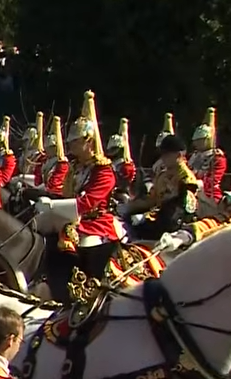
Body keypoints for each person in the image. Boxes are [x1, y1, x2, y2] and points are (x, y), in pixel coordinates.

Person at [34, 92, 120, 298]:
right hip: (71, 218)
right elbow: (66, 195)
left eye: (75, 141)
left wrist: (54, 207)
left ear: (89, 142)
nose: (71, 145)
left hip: (95, 223)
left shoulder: (103, 171)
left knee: (82, 243)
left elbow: (88, 203)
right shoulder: (75, 168)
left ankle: (87, 287)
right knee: (37, 226)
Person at [121, 134, 198, 239]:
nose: (163, 158)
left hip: (173, 221)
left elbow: (186, 209)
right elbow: (152, 199)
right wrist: (130, 207)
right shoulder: (162, 175)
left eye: (167, 155)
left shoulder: (187, 179)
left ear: (178, 155)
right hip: (157, 217)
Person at [188, 107, 226, 201]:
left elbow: (211, 182)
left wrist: (193, 183)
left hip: (209, 196)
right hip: (190, 193)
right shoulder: (193, 156)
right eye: (196, 141)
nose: (196, 143)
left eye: (200, 140)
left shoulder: (217, 158)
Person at [105, 118, 137, 195]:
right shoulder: (111, 162)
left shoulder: (126, 165)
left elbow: (123, 183)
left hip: (122, 194)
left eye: (115, 149)